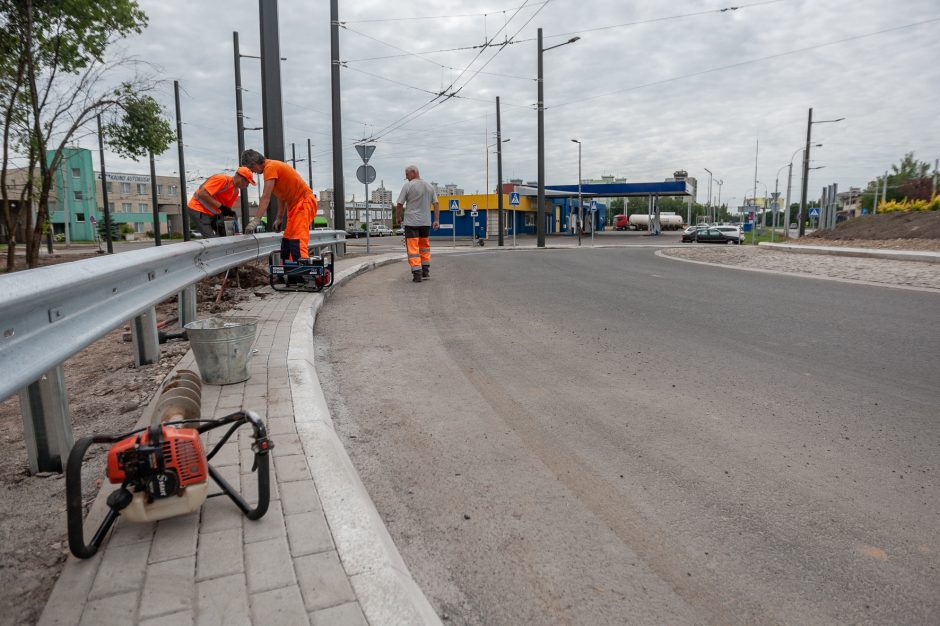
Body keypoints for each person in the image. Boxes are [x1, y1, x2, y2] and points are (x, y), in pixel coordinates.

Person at [241, 149, 318, 261]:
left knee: (297, 239)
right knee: (288, 238)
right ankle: (290, 271)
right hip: (294, 205)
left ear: (254, 164)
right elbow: (281, 196)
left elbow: (265, 197)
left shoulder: (270, 167)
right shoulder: (272, 168)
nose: (253, 172)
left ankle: (301, 274)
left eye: (252, 169)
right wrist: (279, 217)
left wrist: (256, 220)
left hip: (304, 202)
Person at [395, 164, 439, 283]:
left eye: (407, 174)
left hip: (411, 222)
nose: (406, 177)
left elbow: (399, 204)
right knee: (424, 247)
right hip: (425, 222)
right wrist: (436, 220)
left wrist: (398, 217)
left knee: (413, 248)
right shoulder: (430, 186)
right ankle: (425, 271)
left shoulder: (408, 186)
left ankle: (417, 274)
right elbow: (436, 204)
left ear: (414, 172)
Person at [187, 167, 255, 237]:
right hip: (198, 209)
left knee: (224, 236)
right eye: (247, 183)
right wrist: (221, 207)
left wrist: (232, 219)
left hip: (212, 213)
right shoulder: (222, 180)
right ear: (241, 179)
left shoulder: (235, 191)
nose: (247, 186)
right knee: (211, 239)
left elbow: (226, 210)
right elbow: (202, 193)